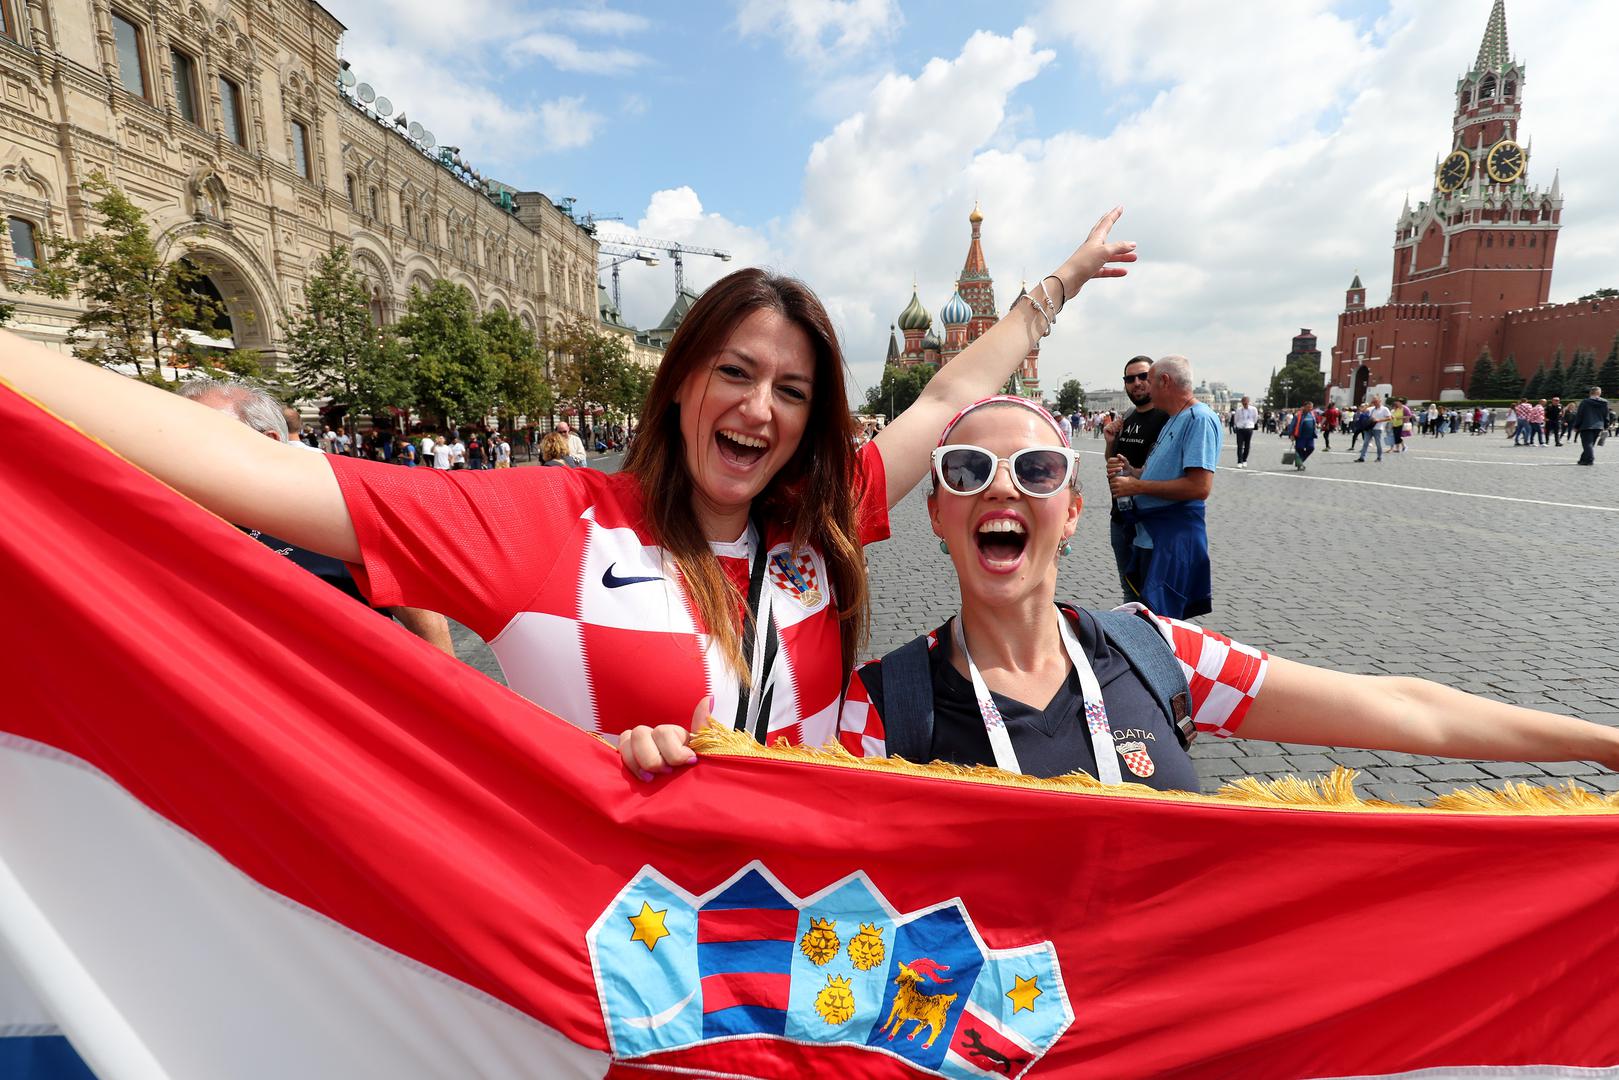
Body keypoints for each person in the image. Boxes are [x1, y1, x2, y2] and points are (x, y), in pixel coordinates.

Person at [0, 207, 1137, 750]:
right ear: (678, 387)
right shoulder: (549, 522)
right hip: (609, 955)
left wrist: (1050, 291)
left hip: (803, 938)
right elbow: (251, 468)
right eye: (732, 373)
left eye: (791, 391)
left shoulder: (813, 521)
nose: (758, 408)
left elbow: (940, 402)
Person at [619, 395, 1619, 787]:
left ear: (1070, 508)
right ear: (935, 517)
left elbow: (1402, 708)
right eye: (964, 473)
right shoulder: (882, 711)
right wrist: (657, 758)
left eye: (1035, 475)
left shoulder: (1155, 653)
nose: (999, 490)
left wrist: (1599, 740)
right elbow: (746, 801)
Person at [173, 379, 456, 657]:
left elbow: (427, 625)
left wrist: (451, 699)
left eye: (205, 435)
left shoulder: (338, 512)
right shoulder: (178, 524)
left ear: (267, 442)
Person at [1106, 355, 1221, 620]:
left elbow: (1199, 487)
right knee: (1146, 612)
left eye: (1149, 380)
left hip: (1170, 537)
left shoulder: (1198, 419)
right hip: (1151, 534)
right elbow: (1165, 469)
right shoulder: (1174, 417)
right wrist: (1135, 472)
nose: (1144, 387)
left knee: (1162, 621)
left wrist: (1137, 485)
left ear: (1165, 381)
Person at [1102, 356, 1169, 602]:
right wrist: (1110, 445)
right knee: (1129, 589)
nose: (1137, 383)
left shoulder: (1167, 418)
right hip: (1120, 518)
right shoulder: (1127, 417)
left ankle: (1155, 638)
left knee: (1153, 593)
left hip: (1150, 521)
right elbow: (1112, 465)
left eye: (1143, 377)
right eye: (1130, 379)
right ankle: (1133, 637)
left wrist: (1136, 474)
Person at [1574, 385, 1611, 466]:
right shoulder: (1604, 403)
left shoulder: (1585, 402)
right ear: (1599, 393)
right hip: (1599, 426)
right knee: (1590, 444)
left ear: (1590, 393)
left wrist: (1576, 426)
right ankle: (1582, 459)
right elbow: (1606, 415)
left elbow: (1580, 415)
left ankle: (1590, 460)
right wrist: (1606, 425)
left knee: (1587, 444)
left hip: (1586, 425)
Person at [1356, 395, 1390, 462]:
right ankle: (1362, 458)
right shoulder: (1371, 408)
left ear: (1380, 401)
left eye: (1376, 400)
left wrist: (1378, 420)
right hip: (1369, 428)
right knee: (1365, 443)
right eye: (1373, 400)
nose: (1374, 402)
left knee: (1378, 443)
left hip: (1378, 428)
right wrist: (1369, 404)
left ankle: (1379, 457)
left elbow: (1389, 418)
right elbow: (1361, 410)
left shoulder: (1384, 409)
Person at [1230, 395, 1258, 468]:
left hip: (1249, 428)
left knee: (1247, 445)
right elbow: (1236, 419)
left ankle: (1244, 459)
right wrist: (1238, 425)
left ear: (1248, 402)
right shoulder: (1239, 410)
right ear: (1242, 403)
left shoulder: (1253, 409)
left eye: (1246, 403)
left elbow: (1255, 418)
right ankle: (1239, 461)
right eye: (1243, 403)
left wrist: (1251, 424)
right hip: (1240, 428)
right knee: (1239, 445)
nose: (1245, 404)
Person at [1290, 401, 1317, 471]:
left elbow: (1314, 423)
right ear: (1304, 407)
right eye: (1308, 407)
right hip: (1300, 436)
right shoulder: (1298, 415)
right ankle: (1300, 463)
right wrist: (1291, 434)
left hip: (1310, 436)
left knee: (1311, 448)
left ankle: (1299, 461)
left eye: (1311, 407)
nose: (1310, 409)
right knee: (1300, 449)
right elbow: (1292, 425)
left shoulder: (1312, 414)